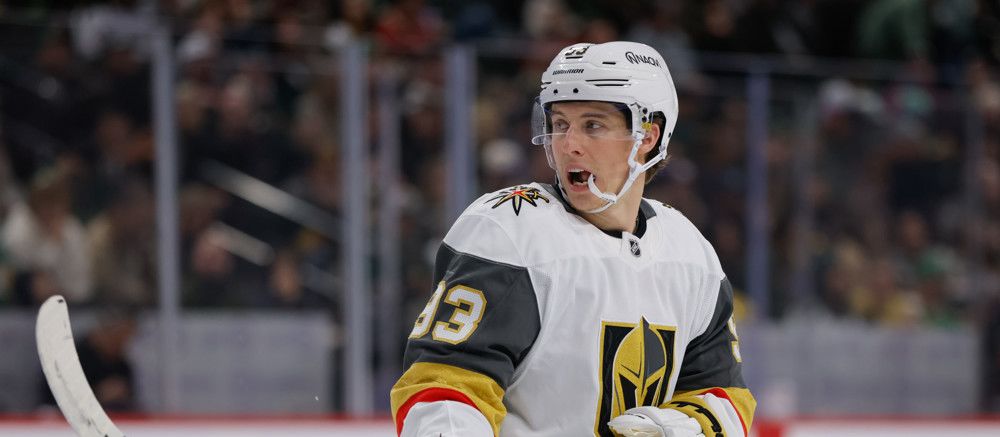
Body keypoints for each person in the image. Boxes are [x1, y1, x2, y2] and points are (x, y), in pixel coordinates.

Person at [390, 41, 755, 437]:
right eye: (561, 123)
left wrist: (681, 428)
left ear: (648, 136)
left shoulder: (691, 255)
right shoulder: (510, 231)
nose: (568, 144)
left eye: (593, 125)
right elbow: (443, 391)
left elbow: (725, 398)